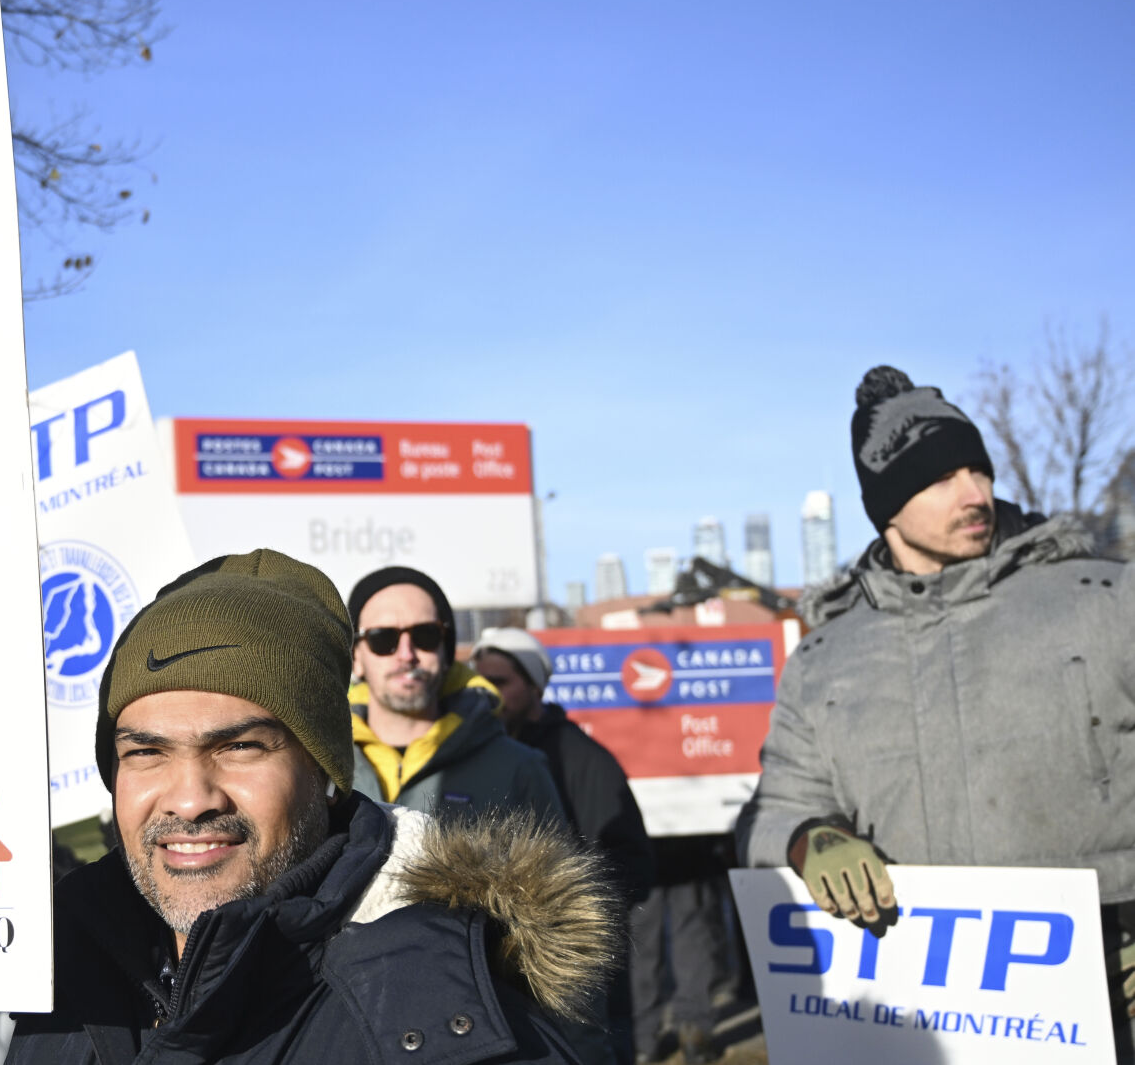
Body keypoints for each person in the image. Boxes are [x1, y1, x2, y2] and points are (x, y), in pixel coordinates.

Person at [7, 549, 621, 1064]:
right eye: (146, 752)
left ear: (326, 773)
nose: (191, 799)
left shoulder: (455, 1019)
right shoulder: (66, 974)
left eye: (241, 746)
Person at [736, 365, 1135, 1062]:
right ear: (886, 504)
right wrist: (810, 837)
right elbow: (774, 808)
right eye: (941, 477)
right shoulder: (826, 657)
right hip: (924, 1012)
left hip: (1112, 995)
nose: (975, 492)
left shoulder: (1103, 600)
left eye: (977, 469)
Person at [472, 628, 656, 1064]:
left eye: (501, 682)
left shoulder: (584, 759)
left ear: (535, 686)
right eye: (481, 683)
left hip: (584, 981)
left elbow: (632, 863)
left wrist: (570, 919)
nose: (489, 695)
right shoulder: (482, 758)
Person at [345, 567, 566, 821]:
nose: (406, 654)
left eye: (425, 635)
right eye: (382, 639)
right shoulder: (319, 768)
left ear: (446, 651)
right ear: (356, 657)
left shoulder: (520, 770)